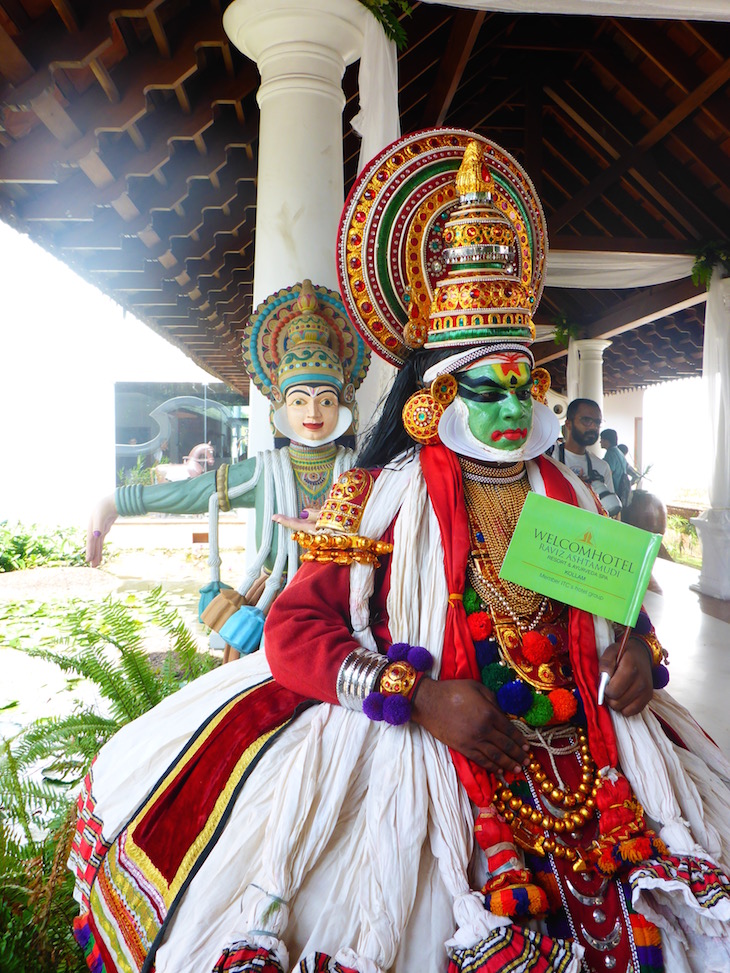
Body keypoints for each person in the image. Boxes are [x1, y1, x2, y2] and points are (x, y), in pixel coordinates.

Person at [69, 133, 730, 973]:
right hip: (431, 757)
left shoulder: (568, 493)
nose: (509, 408)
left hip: (597, 759)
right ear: (434, 397)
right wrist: (415, 695)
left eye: (524, 383)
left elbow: (614, 610)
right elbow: (296, 631)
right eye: (484, 387)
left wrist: (640, 649)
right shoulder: (379, 496)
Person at [85, 280, 369, 659]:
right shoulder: (264, 471)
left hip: (347, 599)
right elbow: (193, 492)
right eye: (300, 401)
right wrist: (116, 502)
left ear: (344, 405)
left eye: (326, 400)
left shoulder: (360, 474)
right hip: (275, 600)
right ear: (279, 409)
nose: (313, 414)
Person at [557, 399, 621, 516]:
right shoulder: (549, 457)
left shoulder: (601, 468)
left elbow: (608, 513)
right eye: (586, 420)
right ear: (568, 424)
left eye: (597, 422)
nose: (593, 427)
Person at [601, 428, 631, 507]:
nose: (600, 442)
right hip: (622, 491)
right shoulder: (619, 452)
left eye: (601, 439)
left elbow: (608, 474)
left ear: (606, 441)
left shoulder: (610, 454)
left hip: (615, 491)